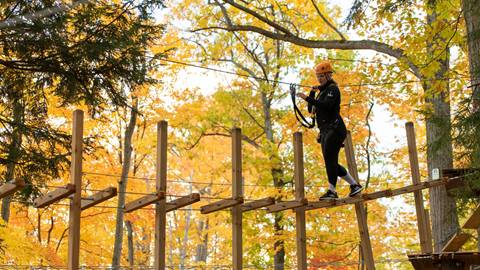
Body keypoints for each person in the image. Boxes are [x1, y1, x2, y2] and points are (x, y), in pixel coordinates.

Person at [296, 61, 363, 199]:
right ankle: (354, 185)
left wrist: (306, 97)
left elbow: (326, 106)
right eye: (318, 76)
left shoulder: (333, 89)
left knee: (330, 160)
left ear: (328, 75)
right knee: (330, 161)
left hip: (335, 128)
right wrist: (312, 94)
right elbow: (311, 109)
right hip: (326, 131)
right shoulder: (322, 92)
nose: (319, 79)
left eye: (321, 76)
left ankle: (332, 191)